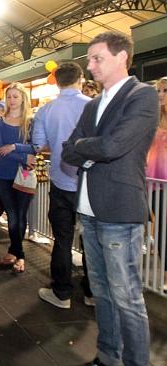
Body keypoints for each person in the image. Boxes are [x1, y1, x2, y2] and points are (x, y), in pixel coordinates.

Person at [62, 31, 158, 366]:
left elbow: (115, 146)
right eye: (88, 59)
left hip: (118, 211)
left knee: (127, 298)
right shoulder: (92, 105)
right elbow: (66, 153)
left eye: (96, 58)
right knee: (101, 292)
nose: (90, 66)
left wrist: (83, 147)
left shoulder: (142, 96)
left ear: (121, 57)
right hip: (89, 212)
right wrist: (88, 149)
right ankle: (108, 355)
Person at [32, 61, 94, 309]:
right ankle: (92, 293)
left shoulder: (46, 111)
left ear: (56, 82)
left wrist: (56, 145)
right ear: (81, 79)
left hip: (61, 182)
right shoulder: (93, 106)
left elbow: (38, 145)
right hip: (90, 184)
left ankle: (62, 293)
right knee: (91, 241)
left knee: (63, 239)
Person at [0, 82, 36, 273]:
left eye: (15, 96)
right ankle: (20, 255)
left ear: (23, 98)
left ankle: (14, 251)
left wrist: (15, 147)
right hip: (4, 174)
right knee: (12, 216)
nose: (11, 100)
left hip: (25, 175)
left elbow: (37, 146)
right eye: (9, 96)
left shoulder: (31, 121)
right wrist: (23, 155)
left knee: (20, 215)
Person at [146, 76, 167, 290]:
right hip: (153, 181)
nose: (160, 95)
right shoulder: (152, 119)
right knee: (159, 226)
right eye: (159, 90)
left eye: (165, 90)